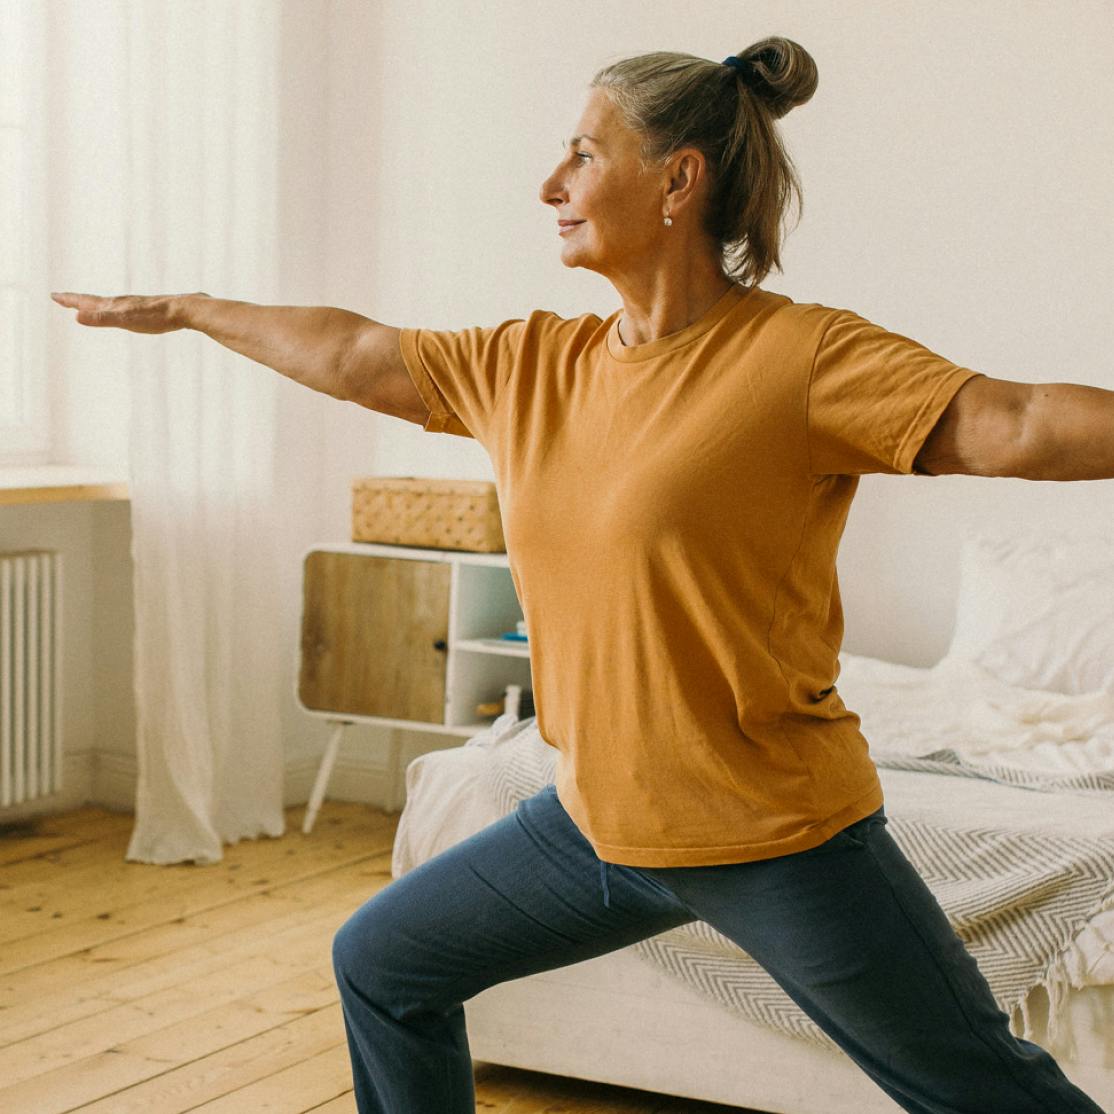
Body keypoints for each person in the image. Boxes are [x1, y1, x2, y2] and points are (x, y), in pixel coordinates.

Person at [52, 36, 1112, 1114]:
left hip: (777, 835)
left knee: (991, 1095)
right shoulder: (532, 364)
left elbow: (1012, 422)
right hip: (597, 822)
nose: (549, 186)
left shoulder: (797, 359)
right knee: (384, 964)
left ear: (676, 179)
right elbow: (356, 352)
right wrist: (188, 308)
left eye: (581, 156)